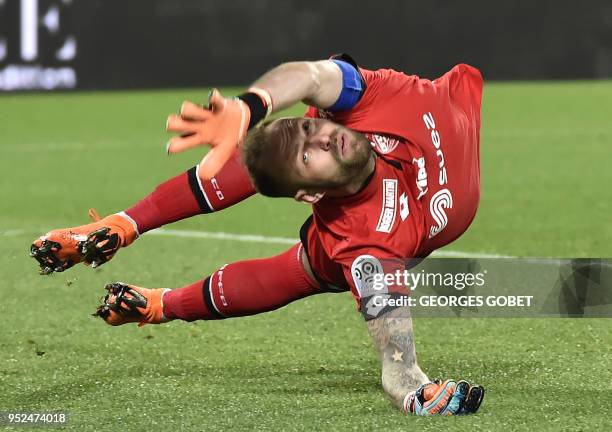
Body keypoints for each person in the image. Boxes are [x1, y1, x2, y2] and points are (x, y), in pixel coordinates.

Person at [30, 54, 484, 416]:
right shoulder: (364, 244)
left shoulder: (363, 102)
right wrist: (415, 392)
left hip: (457, 104)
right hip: (379, 237)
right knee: (305, 264)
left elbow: (308, 74)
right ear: (308, 195)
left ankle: (125, 224)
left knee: (265, 157)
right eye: (309, 157)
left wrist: (250, 106)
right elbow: (397, 362)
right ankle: (158, 304)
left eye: (310, 128)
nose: (322, 140)